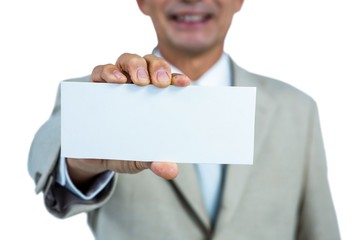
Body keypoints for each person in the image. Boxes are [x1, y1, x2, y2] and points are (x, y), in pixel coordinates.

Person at [28, 0, 341, 239]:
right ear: (143, 1)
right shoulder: (98, 99)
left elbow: (320, 229)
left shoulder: (298, 110)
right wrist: (81, 164)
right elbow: (51, 148)